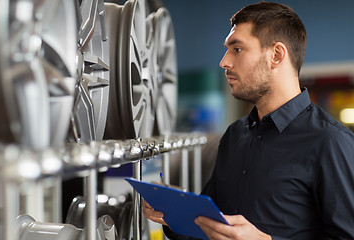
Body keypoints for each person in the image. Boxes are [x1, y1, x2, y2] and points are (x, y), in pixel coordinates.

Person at [143, 2, 354, 239]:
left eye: (237, 49)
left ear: (276, 55)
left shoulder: (331, 141)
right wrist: (175, 214)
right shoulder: (235, 135)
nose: (224, 62)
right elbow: (211, 227)